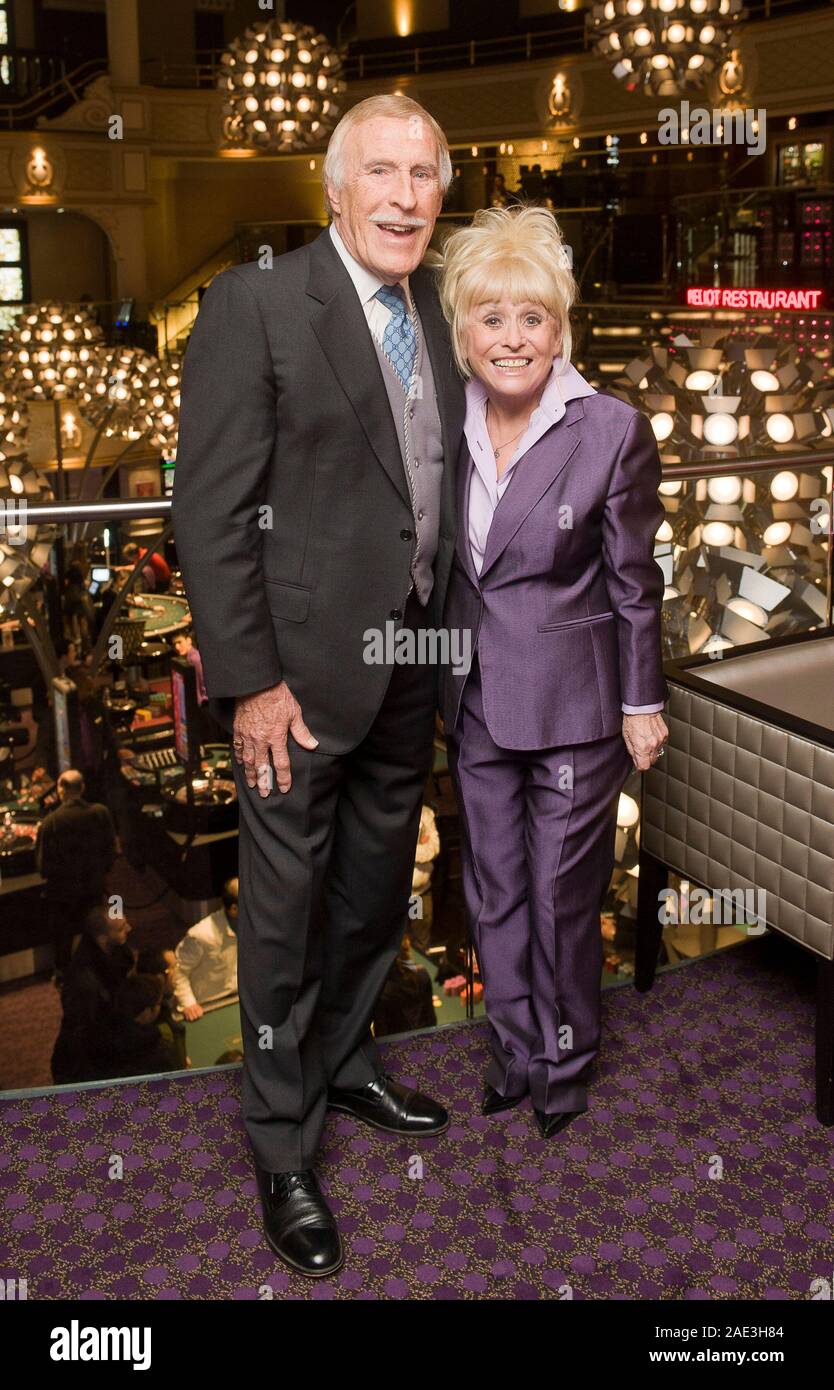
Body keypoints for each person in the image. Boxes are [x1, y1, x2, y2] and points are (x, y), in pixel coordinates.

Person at [172, 93, 466, 1278]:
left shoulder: (437, 306)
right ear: (335, 189)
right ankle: (281, 1144)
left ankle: (343, 1064)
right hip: (292, 681)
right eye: (383, 173)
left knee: (373, 894)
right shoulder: (255, 304)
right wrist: (248, 682)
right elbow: (208, 507)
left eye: (426, 175)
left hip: (410, 664)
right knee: (285, 920)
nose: (405, 197)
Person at [438, 205, 668, 1139]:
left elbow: (635, 581)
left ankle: (564, 1068)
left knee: (561, 898)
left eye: (532, 317)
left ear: (560, 328)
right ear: (462, 331)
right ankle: (512, 1052)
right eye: (491, 318)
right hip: (476, 701)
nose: (512, 338)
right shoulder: (442, 428)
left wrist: (642, 701)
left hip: (577, 707)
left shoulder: (610, 430)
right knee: (492, 889)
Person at [35, 768, 119, 980]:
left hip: (63, 893)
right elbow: (112, 851)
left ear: (60, 791)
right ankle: (106, 967)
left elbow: (43, 866)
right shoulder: (101, 812)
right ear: (82, 788)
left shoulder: (50, 822)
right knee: (99, 927)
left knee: (62, 936)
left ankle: (63, 973)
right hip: (95, 886)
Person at [50, 906, 135, 1084]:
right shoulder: (85, 984)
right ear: (103, 938)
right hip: (85, 1065)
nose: (129, 929)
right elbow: (83, 1036)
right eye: (121, 928)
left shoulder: (113, 951)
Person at [172, 878, 239, 1021]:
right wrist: (188, 1003)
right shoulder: (201, 935)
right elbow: (178, 971)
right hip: (206, 1007)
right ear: (234, 909)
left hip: (238, 1000)